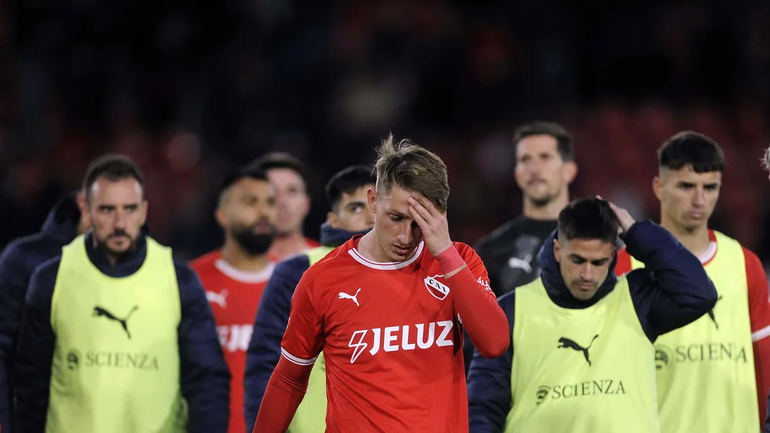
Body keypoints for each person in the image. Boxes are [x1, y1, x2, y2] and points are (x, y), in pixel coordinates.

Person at [253, 136, 509, 432]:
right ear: (373, 201)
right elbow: (288, 379)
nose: (405, 237)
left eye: (419, 223)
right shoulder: (322, 279)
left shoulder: (459, 263)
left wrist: (446, 254)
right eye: (396, 218)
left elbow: (495, 344)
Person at [13, 154, 230, 433]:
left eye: (129, 209)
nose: (119, 222)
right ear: (87, 209)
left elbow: (206, 381)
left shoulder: (179, 280)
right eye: (107, 210)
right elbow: (30, 386)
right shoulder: (51, 279)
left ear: (144, 211)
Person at [467, 197, 717, 433]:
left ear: (611, 256)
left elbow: (698, 293)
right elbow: (483, 408)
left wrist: (637, 233)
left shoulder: (636, 299)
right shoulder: (511, 310)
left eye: (598, 262)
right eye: (577, 260)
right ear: (557, 250)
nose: (587, 274)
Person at [615, 131, 770, 433]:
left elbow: (763, 361)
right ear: (659, 187)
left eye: (709, 187)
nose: (699, 199)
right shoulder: (625, 266)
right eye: (686, 186)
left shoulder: (745, 262)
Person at [244, 165, 376, 432]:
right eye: (355, 208)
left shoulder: (413, 271)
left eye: (376, 205)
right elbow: (265, 368)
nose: (369, 217)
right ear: (334, 220)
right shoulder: (296, 272)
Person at [191, 167, 277, 433]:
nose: (264, 211)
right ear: (223, 215)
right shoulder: (190, 281)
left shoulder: (295, 284)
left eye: (270, 203)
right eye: (251, 201)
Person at [0, 193, 91, 433]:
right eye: (107, 208)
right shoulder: (26, 260)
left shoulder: (148, 270)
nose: (118, 220)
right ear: (83, 203)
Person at [475, 121, 578, 297]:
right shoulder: (490, 251)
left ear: (569, 171)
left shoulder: (601, 241)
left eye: (545, 157)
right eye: (525, 159)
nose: (534, 169)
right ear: (517, 174)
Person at [249, 152, 319, 261]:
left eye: (292, 191)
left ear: (306, 203)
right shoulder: (234, 267)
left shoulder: (331, 262)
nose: (282, 202)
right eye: (273, 192)